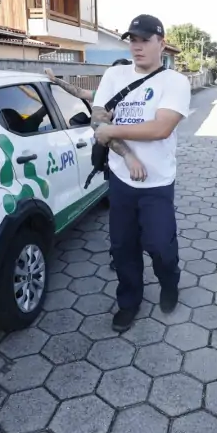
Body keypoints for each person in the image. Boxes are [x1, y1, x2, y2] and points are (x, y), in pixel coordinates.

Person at [91, 15, 191, 332]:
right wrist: (128, 154)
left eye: (145, 39)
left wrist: (110, 130)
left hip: (158, 182)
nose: (137, 46)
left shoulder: (175, 82)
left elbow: (161, 128)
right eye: (133, 39)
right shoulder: (114, 75)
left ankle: (169, 282)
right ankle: (129, 301)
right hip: (121, 179)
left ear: (161, 43)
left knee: (160, 246)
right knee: (123, 247)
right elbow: (97, 122)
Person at [45, 58, 133, 272]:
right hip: (115, 165)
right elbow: (80, 93)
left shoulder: (137, 97)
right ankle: (119, 254)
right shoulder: (105, 98)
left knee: (136, 217)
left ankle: (134, 250)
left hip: (138, 165)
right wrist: (55, 80)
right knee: (120, 217)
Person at [44, 58, 132, 102]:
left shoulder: (140, 92)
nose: (117, 74)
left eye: (121, 71)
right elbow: (80, 92)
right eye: (114, 71)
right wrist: (55, 79)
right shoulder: (107, 94)